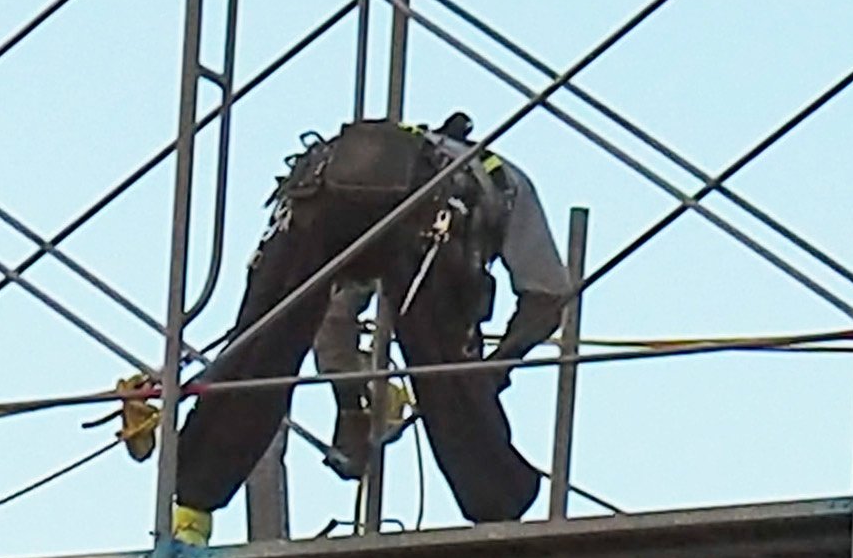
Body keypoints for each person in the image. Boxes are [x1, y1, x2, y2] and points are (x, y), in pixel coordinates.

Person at [171, 113, 570, 530]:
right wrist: (492, 370)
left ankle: (192, 506)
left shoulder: (358, 174)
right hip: (429, 216)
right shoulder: (505, 183)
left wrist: (350, 397)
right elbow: (546, 299)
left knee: (258, 346)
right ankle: (497, 508)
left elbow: (328, 321)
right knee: (447, 371)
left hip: (317, 200)